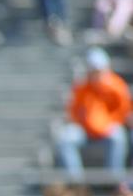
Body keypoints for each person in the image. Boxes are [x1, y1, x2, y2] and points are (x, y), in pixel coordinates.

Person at [56, 47, 131, 178]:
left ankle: (113, 179)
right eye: (93, 70)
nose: (96, 74)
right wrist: (84, 123)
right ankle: (77, 182)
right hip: (85, 130)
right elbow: (73, 110)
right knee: (66, 138)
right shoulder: (82, 86)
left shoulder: (116, 86)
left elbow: (123, 111)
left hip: (108, 128)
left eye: (98, 70)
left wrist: (107, 123)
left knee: (118, 137)